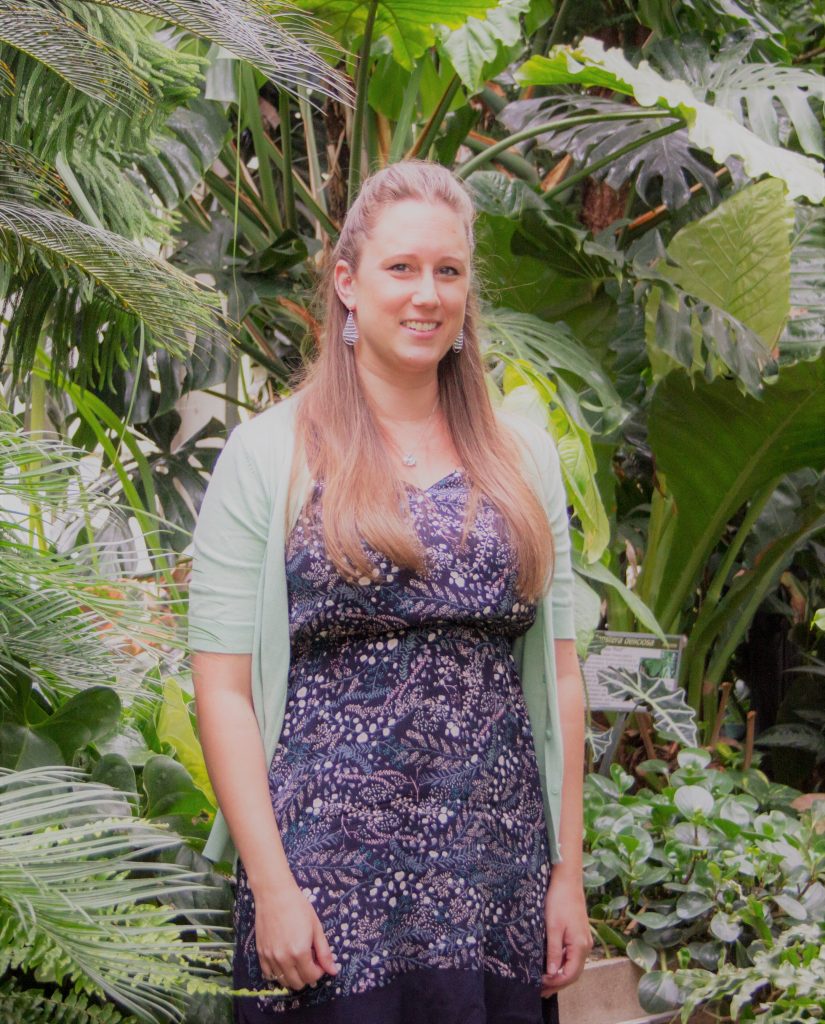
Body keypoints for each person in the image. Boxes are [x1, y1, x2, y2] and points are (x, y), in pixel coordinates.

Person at [189, 160, 592, 1024]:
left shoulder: (522, 460)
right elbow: (221, 693)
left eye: (447, 272)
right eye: (400, 269)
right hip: (324, 891)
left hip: (495, 884)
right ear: (347, 283)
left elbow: (559, 677)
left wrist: (567, 875)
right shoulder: (266, 456)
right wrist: (270, 885)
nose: (426, 295)